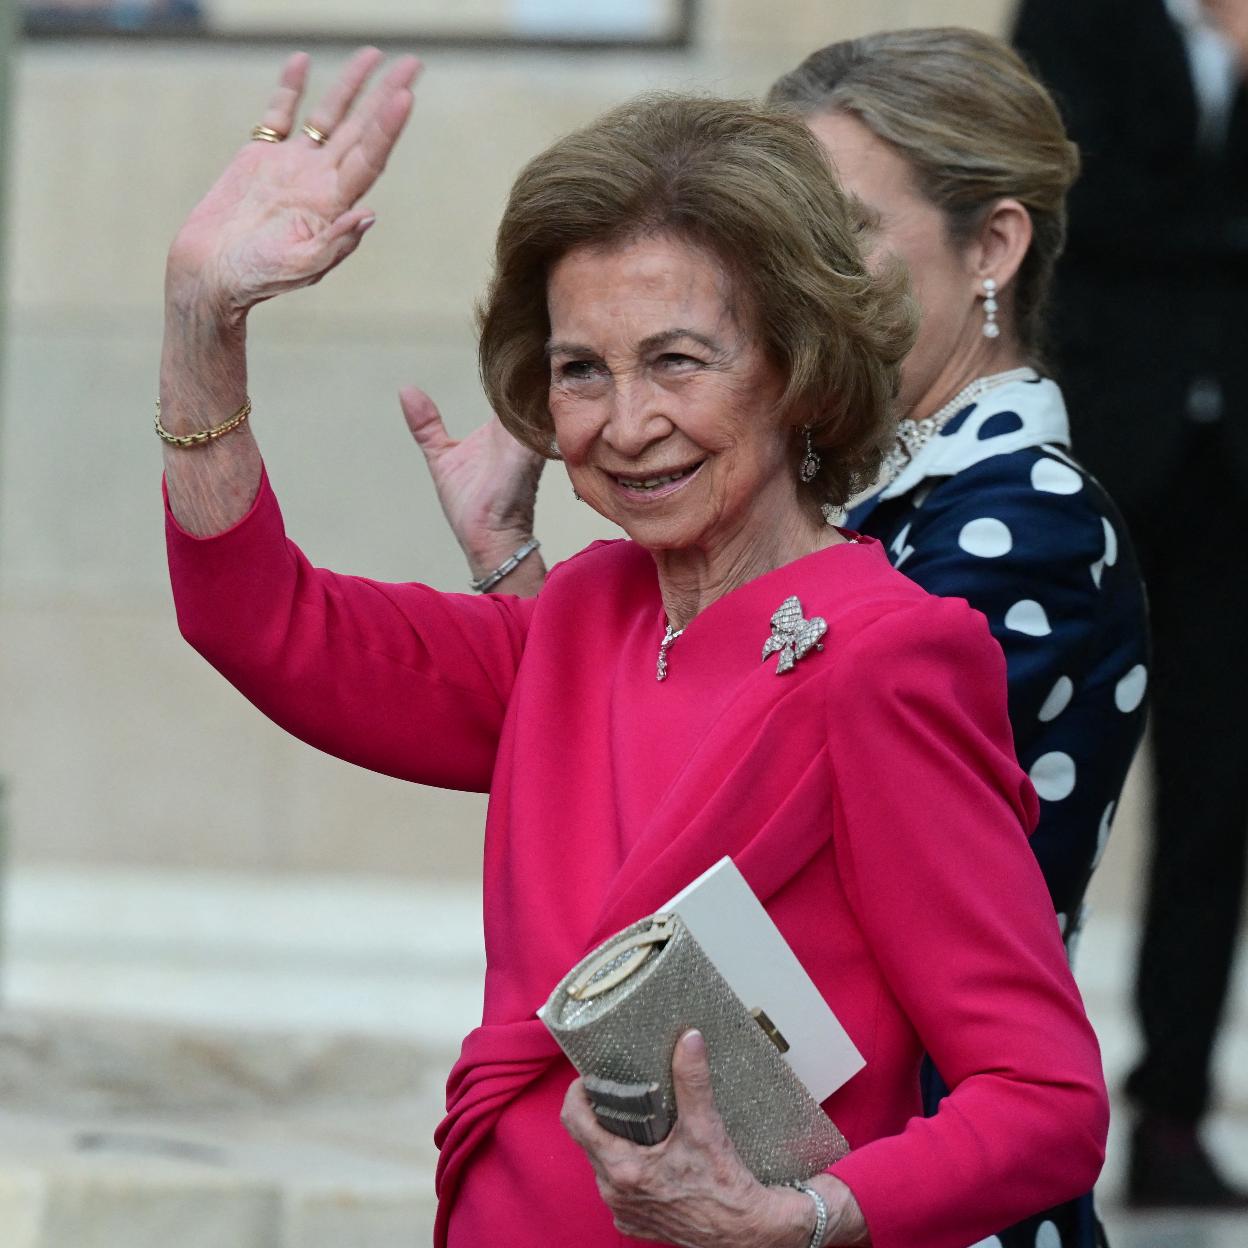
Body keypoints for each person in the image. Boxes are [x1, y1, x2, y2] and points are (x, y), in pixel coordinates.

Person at [159, 50, 1108, 1248]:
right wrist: (203, 315)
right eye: (579, 373)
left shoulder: (889, 655)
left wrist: (797, 1219)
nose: (626, 423)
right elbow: (260, 623)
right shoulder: (580, 613)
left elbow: (1045, 1103)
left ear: (799, 365)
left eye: (676, 360)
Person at [409, 29, 1148, 1246]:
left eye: (837, 224)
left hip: (912, 1182)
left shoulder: (1027, 521)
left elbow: (754, 791)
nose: (788, 260)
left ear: (994, 248)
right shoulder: (839, 498)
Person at [1013, 0, 1248, 1210]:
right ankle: (1002, 1097)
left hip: (1230, 482)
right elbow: (1074, 203)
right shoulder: (1075, 15)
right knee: (1031, 783)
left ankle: (1170, 1116)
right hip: (1105, 453)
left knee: (1218, 804)